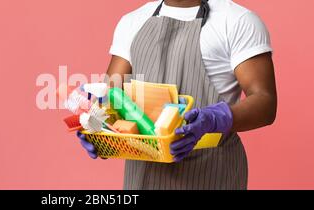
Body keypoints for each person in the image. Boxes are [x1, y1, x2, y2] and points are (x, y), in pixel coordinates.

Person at [77, 0, 277, 190]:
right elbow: (110, 96)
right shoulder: (133, 22)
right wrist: (100, 133)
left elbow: (265, 102)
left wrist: (213, 119)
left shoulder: (238, 21)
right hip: (142, 178)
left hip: (211, 174)